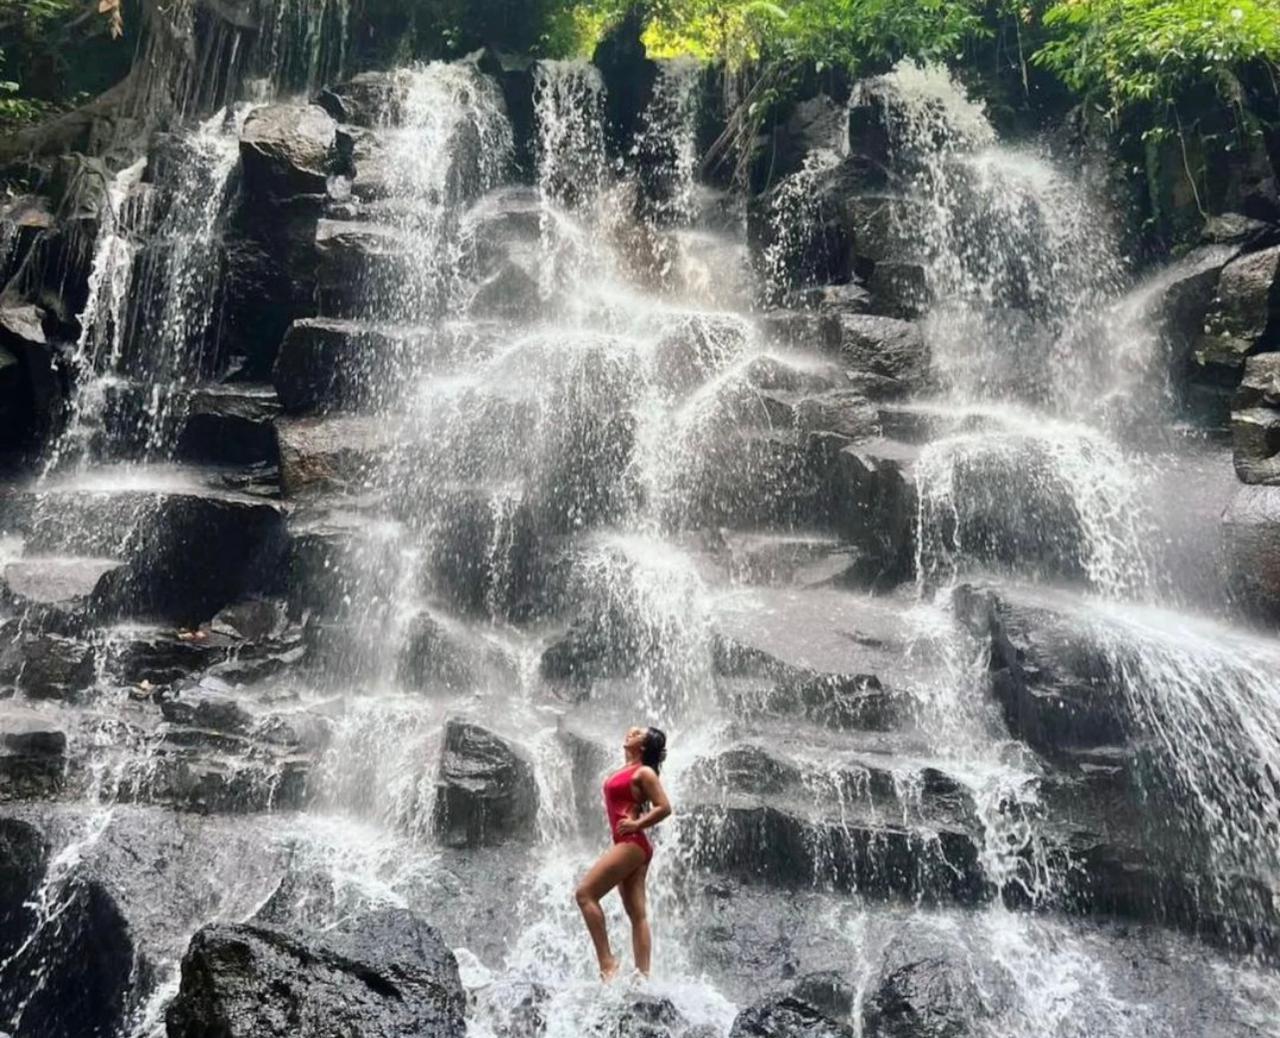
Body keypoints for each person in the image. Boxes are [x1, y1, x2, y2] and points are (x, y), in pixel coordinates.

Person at [574, 725, 672, 980]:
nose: (631, 731)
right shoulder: (629, 770)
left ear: (644, 746)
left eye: (638, 733)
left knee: (585, 894)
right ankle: (643, 977)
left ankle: (608, 963)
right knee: (637, 914)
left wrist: (637, 824)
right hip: (631, 844)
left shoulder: (644, 772)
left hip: (632, 843)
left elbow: (664, 807)